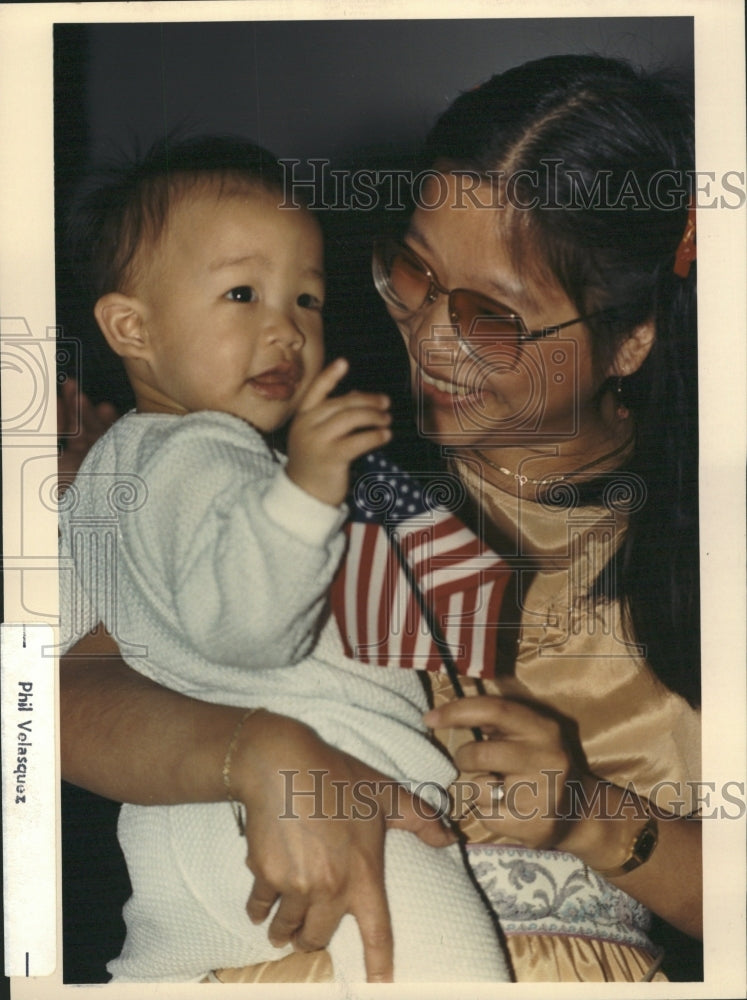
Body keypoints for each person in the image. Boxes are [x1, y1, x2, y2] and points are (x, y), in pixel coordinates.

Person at [59, 54, 702, 983]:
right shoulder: (306, 459)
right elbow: (51, 700)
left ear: (629, 338)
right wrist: (257, 754)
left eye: (491, 317)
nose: (428, 336)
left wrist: (586, 817)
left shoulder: (710, 547)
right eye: (412, 271)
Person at [57, 136, 510, 984]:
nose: (285, 328)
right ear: (130, 326)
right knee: (455, 972)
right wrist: (305, 495)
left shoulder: (117, 470)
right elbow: (247, 631)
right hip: (311, 805)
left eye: (306, 298)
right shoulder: (208, 454)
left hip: (190, 828)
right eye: (241, 293)